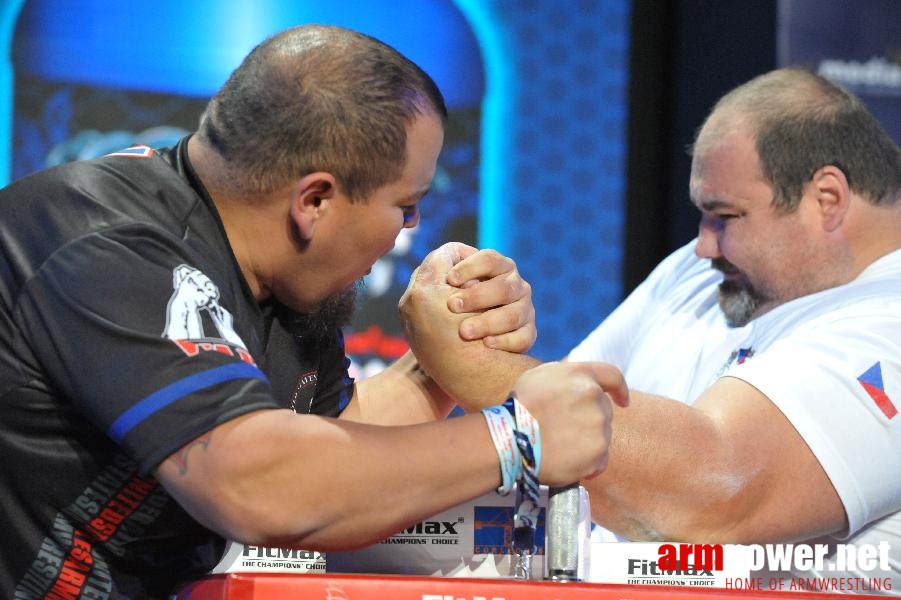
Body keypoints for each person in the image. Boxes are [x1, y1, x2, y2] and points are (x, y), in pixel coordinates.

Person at [0, 25, 628, 599]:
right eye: (405, 205)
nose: (412, 229)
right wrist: (519, 437)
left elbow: (338, 458)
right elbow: (261, 485)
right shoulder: (105, 244)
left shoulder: (273, 273)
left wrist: (445, 354)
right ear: (317, 200)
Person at [568, 67, 901, 588]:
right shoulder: (701, 269)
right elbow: (551, 415)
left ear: (828, 199)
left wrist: (479, 364)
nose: (703, 244)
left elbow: (710, 499)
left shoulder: (891, 321)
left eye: (724, 216)